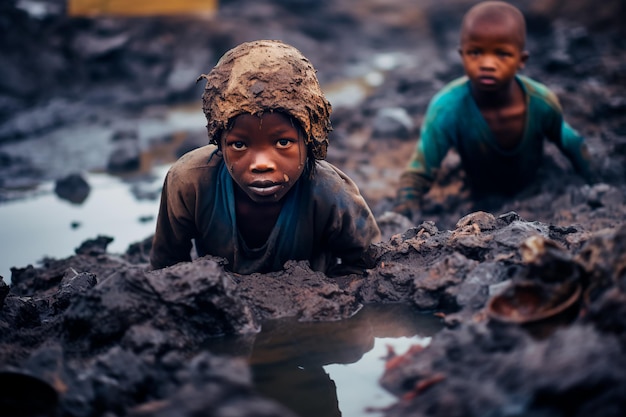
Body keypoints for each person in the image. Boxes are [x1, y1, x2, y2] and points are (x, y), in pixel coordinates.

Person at [150, 40, 381, 276]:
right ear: (219, 142)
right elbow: (165, 271)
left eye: (283, 143)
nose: (261, 163)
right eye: (239, 144)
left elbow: (371, 268)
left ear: (310, 139)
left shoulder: (330, 192)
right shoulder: (190, 182)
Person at [393, 1, 592, 220]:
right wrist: (402, 213)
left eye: (502, 54)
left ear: (521, 60)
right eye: (476, 52)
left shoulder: (541, 102)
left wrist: (595, 186)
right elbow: (420, 168)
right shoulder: (447, 108)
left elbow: (572, 143)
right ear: (462, 55)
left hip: (536, 196)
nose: (487, 63)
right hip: (479, 206)